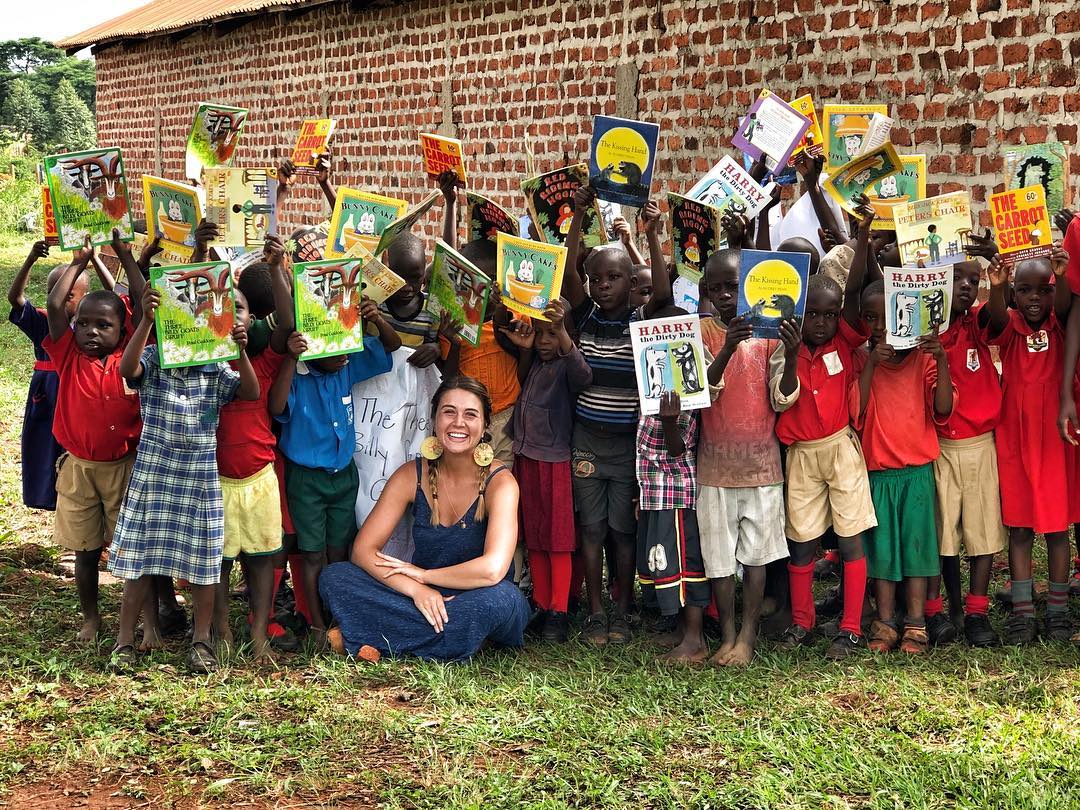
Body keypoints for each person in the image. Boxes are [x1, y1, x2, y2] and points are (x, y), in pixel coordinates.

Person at [319, 377, 530, 661]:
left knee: (491, 605)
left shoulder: (500, 481)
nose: (458, 423)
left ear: (485, 426)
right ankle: (452, 640)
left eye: (470, 414)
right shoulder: (411, 475)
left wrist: (424, 576)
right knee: (335, 577)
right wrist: (418, 589)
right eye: (449, 412)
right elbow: (362, 550)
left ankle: (367, 638)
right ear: (434, 420)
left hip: (482, 593)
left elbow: (492, 570)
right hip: (423, 597)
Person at [108, 280, 259, 673]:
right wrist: (146, 321)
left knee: (205, 564)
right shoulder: (156, 359)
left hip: (199, 478)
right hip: (154, 474)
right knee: (140, 562)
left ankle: (201, 641)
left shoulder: (215, 366)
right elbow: (128, 369)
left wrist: (240, 351)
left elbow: (250, 392)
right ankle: (124, 641)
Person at [560, 187, 673, 645]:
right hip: (587, 440)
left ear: (631, 282)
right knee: (591, 528)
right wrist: (579, 215)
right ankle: (594, 611)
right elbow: (567, 273)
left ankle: (622, 610)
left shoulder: (641, 321)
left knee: (623, 532)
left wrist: (651, 235)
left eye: (614, 279)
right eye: (597, 280)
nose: (603, 286)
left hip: (629, 445)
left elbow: (663, 291)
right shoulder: (585, 317)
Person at [775, 199, 877, 659]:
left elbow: (855, 290)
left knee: (851, 537)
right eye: (812, 314)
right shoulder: (787, 347)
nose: (820, 322)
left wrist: (862, 234)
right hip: (802, 455)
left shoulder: (845, 338)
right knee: (802, 542)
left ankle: (851, 626)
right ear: (800, 312)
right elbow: (782, 397)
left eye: (829, 314)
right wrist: (794, 353)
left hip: (840, 450)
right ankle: (803, 620)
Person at [696, 247, 796, 666]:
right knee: (718, 557)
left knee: (757, 555)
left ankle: (749, 636)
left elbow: (782, 397)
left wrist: (790, 354)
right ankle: (728, 634)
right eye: (715, 288)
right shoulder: (700, 331)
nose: (724, 295)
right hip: (714, 466)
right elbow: (700, 390)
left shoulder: (771, 332)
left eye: (732, 286)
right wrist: (727, 348)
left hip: (761, 465)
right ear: (704, 291)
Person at [42, 242, 141, 643]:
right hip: (79, 469)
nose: (91, 332)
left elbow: (137, 300)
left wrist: (126, 256)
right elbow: (53, 305)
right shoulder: (67, 354)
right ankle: (91, 617)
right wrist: (78, 262)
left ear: (123, 330)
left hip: (125, 468)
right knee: (85, 551)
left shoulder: (131, 358)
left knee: (134, 550)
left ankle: (144, 615)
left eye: (103, 326)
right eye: (83, 324)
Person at [272, 327, 394, 644]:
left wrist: (376, 319)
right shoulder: (297, 375)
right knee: (312, 554)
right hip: (307, 479)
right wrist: (291, 357)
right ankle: (315, 625)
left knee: (339, 552)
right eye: (334, 349)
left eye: (346, 347)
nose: (342, 355)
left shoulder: (346, 364)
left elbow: (390, 346)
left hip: (344, 475)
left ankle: (340, 620)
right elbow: (275, 407)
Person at [857, 280, 954, 654]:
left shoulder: (924, 359)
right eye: (871, 318)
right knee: (881, 552)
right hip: (879, 475)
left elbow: (943, 407)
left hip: (916, 474)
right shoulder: (861, 358)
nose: (880, 326)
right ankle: (885, 621)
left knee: (917, 551)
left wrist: (942, 359)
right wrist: (870, 364)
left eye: (887, 316)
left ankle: (915, 622)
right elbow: (857, 411)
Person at [212, 236, 297, 661]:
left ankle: (260, 632)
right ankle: (222, 628)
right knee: (221, 562)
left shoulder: (264, 362)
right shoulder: (204, 366)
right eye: (225, 309)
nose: (234, 316)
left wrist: (279, 268)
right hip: (216, 481)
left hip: (260, 477)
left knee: (263, 559)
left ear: (253, 319)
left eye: (241, 308)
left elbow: (287, 321)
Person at [987, 251, 1075, 643]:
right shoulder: (1012, 324)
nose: (1034, 298)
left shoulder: (1061, 323)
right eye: (1024, 290)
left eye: (1044, 290)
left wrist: (1064, 275)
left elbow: (1069, 304)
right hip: (1015, 435)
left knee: (1057, 528)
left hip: (1055, 436)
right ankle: (1023, 611)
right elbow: (996, 316)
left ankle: (1058, 610)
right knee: (1020, 526)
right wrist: (997, 285)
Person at [502, 299, 591, 642]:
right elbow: (522, 381)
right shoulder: (538, 363)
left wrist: (563, 336)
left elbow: (584, 375)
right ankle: (540, 603)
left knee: (557, 540)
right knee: (535, 535)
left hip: (553, 460)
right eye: (540, 333)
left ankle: (559, 610)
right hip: (527, 458)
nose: (543, 341)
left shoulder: (567, 366)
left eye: (551, 334)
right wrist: (526, 350)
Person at [928, 259, 1006, 647]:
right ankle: (950, 609)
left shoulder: (978, 322)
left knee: (983, 533)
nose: (965, 286)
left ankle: (977, 612)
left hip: (979, 446)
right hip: (939, 447)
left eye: (972, 281)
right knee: (944, 535)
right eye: (956, 278)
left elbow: (999, 318)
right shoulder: (926, 331)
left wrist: (997, 283)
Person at [8, 241, 84, 511]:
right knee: (44, 449)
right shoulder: (41, 321)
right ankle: (52, 505)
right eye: (55, 291)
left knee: (75, 452)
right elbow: (16, 299)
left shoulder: (89, 327)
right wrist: (29, 259)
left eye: (70, 294)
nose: (61, 298)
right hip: (46, 396)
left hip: (75, 394)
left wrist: (91, 259)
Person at [636, 387, 710, 663]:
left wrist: (669, 421)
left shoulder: (687, 394)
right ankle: (682, 630)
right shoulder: (648, 388)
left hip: (676, 491)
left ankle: (695, 639)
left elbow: (678, 450)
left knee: (685, 563)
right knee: (667, 561)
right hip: (655, 490)